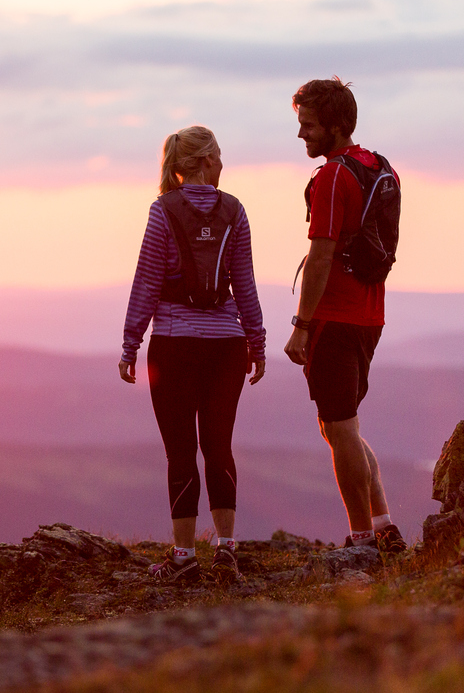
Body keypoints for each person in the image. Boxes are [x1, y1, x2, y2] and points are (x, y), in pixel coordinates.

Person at [119, 125, 266, 583]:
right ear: (204, 161)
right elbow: (244, 284)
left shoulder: (162, 212)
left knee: (180, 451)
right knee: (219, 445)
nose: (223, 166)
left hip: (174, 345)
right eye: (219, 157)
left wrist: (130, 342)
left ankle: (183, 556)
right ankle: (226, 550)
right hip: (226, 347)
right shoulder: (235, 211)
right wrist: (256, 342)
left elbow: (146, 281)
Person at [284, 77, 407, 553]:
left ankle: (361, 540)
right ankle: (383, 527)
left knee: (338, 428)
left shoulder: (333, 176)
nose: (302, 135)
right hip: (369, 314)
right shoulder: (379, 167)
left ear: (336, 125)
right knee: (344, 427)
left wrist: (301, 326)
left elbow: (320, 257)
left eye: (309, 125)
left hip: (335, 317)